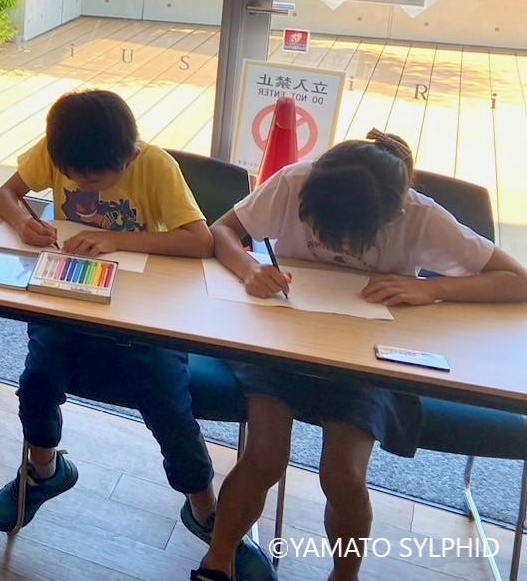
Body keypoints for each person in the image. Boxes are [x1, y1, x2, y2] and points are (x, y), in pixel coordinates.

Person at [194, 130, 527, 581]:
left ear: (392, 215)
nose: (338, 248)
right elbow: (223, 230)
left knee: (343, 476)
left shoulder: (419, 214)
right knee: (265, 457)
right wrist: (250, 269)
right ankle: (219, 560)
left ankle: (345, 575)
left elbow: (516, 280)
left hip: (368, 353)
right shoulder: (296, 182)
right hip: (284, 335)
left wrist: (432, 289)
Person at [0, 90, 269, 574]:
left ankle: (205, 509)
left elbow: (199, 240)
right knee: (36, 381)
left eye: (93, 180)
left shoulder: (154, 165)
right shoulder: (60, 148)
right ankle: (43, 470)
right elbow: (6, 195)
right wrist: (23, 223)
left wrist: (116, 239)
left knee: (169, 405)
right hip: (73, 298)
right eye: (70, 175)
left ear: (129, 157)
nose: (78, 183)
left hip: (146, 312)